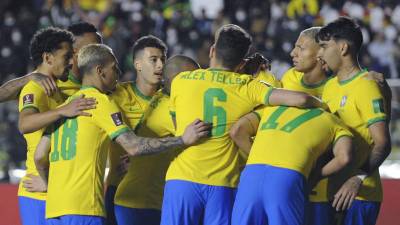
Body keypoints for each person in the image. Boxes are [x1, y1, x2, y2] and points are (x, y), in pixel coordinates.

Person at [160, 24, 325, 225]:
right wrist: (322, 104)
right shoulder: (246, 86)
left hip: (181, 180)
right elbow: (300, 100)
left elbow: (177, 122)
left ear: (213, 50)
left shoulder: (181, 81)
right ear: (241, 63)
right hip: (223, 185)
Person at [34, 44, 211, 225]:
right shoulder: (100, 102)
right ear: (100, 71)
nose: (118, 73)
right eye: (114, 67)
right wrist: (182, 139)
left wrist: (49, 184)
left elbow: (40, 156)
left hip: (54, 210)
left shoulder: (67, 107)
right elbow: (133, 146)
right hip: (84, 208)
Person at [317, 17, 391, 225]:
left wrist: (357, 178)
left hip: (359, 195)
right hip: (333, 191)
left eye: (324, 46)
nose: (320, 53)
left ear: (342, 48)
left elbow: (383, 143)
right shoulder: (330, 86)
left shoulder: (366, 85)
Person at [17, 27, 96, 225]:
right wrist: (62, 111)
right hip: (37, 192)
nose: (72, 62)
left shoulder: (58, 89)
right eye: (67, 56)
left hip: (57, 190)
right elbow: (25, 124)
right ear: (48, 58)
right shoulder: (35, 88)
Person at [114, 55, 200, 225]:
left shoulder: (163, 97)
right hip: (140, 202)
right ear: (177, 80)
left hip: (141, 199)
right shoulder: (170, 107)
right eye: (193, 77)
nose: (199, 82)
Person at [231, 104, 353, 225]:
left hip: (251, 173)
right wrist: (316, 176)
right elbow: (344, 158)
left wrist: (258, 155)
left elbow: (237, 131)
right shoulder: (332, 120)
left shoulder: (271, 109)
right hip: (288, 175)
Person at [108, 35, 167, 225]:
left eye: (162, 60)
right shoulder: (117, 95)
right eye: (153, 60)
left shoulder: (173, 100)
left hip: (158, 194)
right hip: (118, 188)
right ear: (138, 64)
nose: (160, 66)